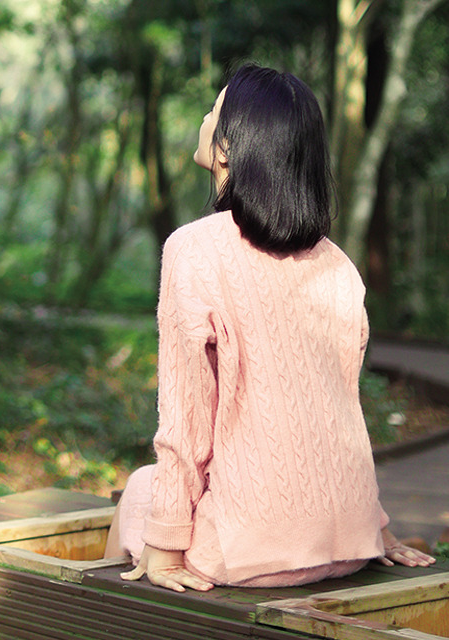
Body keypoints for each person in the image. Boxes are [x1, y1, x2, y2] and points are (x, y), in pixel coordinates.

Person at [102, 63, 436, 592]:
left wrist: (163, 549)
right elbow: (339, 416)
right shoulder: (337, 264)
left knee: (140, 490)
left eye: (213, 110)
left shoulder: (194, 249)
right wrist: (375, 526)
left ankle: (108, 618)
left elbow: (186, 421)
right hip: (350, 543)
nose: (204, 119)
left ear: (228, 148)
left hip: (250, 554)